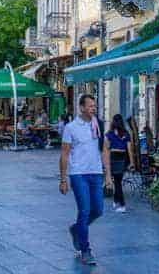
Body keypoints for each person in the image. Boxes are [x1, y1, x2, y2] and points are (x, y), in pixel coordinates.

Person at [59, 94, 111, 267]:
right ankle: (85, 249)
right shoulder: (71, 128)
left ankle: (76, 229)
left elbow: (104, 150)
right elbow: (65, 153)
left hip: (95, 173)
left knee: (97, 210)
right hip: (78, 174)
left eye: (94, 106)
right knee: (84, 210)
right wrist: (63, 179)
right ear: (81, 108)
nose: (93, 109)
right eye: (90, 106)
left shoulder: (99, 125)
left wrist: (108, 174)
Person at [103, 114, 131, 213]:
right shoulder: (126, 133)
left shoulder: (109, 134)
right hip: (123, 158)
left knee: (117, 182)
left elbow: (106, 147)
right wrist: (131, 162)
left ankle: (122, 205)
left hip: (114, 157)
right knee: (118, 180)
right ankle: (115, 200)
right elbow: (129, 149)